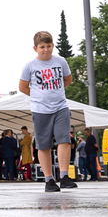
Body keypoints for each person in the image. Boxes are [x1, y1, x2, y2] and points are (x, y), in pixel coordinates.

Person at [19, 30, 78, 192]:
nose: (46, 49)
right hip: (40, 110)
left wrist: (55, 91)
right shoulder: (30, 66)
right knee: (43, 145)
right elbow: (23, 87)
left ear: (53, 46)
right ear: (35, 48)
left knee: (64, 139)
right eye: (42, 47)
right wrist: (39, 95)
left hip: (60, 107)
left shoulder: (61, 61)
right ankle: (49, 180)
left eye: (49, 46)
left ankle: (64, 176)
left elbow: (68, 79)